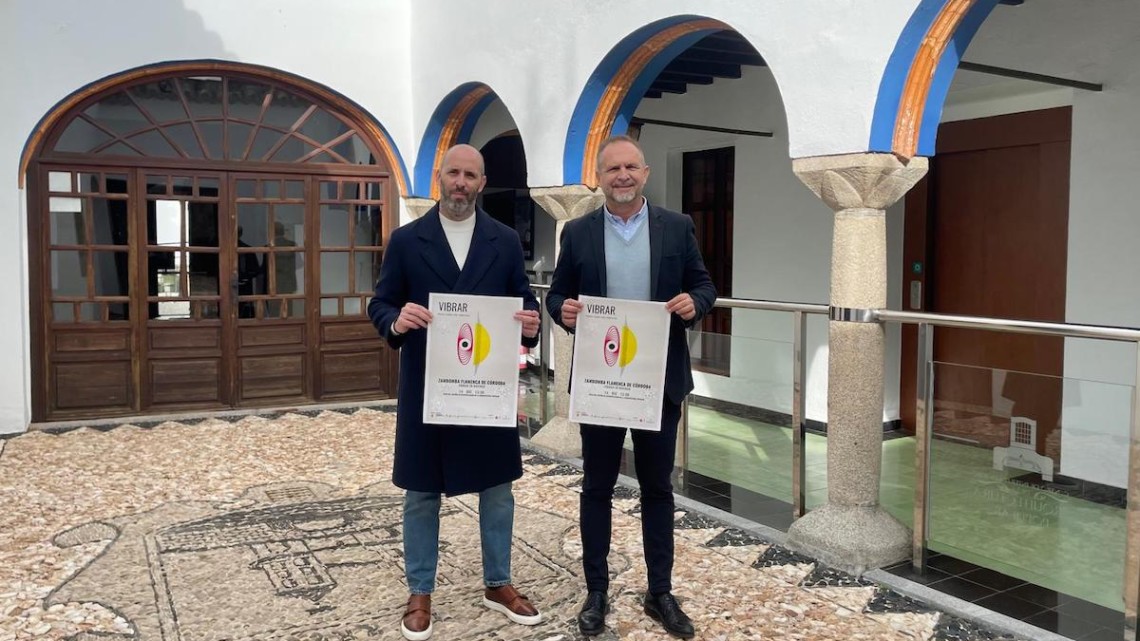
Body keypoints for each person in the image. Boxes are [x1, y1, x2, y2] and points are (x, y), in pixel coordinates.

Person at [368, 144, 543, 641]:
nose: (461, 182)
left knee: (498, 489)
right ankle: (420, 590)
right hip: (429, 383)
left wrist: (529, 325)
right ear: (439, 179)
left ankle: (498, 582)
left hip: (486, 385)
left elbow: (523, 302)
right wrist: (395, 320)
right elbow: (381, 302)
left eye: (470, 175)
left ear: (482, 182)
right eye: (453, 173)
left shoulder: (504, 240)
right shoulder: (407, 240)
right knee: (421, 492)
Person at [546, 135, 716, 639]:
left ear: (644, 173)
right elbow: (557, 294)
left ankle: (659, 591)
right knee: (596, 486)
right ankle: (596, 590)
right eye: (612, 169)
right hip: (601, 381)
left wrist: (695, 304)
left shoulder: (677, 226)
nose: (622, 175)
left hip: (657, 379)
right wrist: (564, 311)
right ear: (600, 178)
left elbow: (705, 285)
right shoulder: (577, 232)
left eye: (630, 167)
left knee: (658, 488)